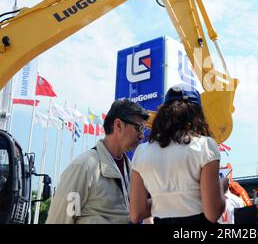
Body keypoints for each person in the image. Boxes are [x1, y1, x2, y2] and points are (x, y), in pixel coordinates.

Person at [129, 84, 225, 224]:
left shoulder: (142, 152)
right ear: (197, 115)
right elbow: (212, 213)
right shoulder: (205, 146)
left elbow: (136, 213)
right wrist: (221, 187)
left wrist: (163, 200)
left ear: (163, 114)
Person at [46, 99, 149, 224]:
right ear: (118, 125)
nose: (142, 136)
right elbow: (59, 220)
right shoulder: (84, 167)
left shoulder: (132, 170)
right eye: (139, 128)